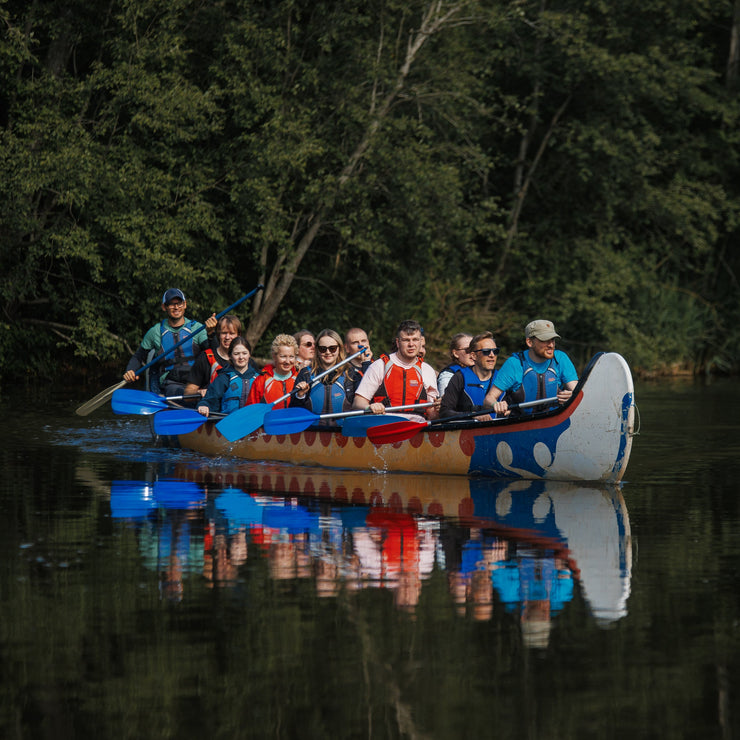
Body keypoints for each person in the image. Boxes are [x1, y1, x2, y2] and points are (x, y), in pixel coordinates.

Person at [123, 288, 215, 397]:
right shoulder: (155, 331)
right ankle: (194, 396)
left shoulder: (197, 328)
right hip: (171, 382)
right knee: (176, 391)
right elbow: (139, 356)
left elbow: (213, 351)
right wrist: (130, 370)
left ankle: (198, 395)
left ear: (184, 304)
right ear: (164, 307)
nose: (176, 307)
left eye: (179, 303)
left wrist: (211, 334)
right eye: (171, 304)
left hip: (195, 379)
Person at [483, 319, 578, 416]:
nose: (551, 345)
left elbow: (577, 391)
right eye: (544, 340)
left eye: (553, 340)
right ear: (529, 342)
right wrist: (496, 404)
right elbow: (488, 400)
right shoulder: (514, 364)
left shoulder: (560, 358)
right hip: (522, 424)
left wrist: (572, 396)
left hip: (555, 420)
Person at [352, 319, 440, 420]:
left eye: (415, 339)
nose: (411, 344)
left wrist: (438, 409)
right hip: (386, 421)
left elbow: (432, 414)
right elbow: (358, 402)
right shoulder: (379, 366)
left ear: (420, 342)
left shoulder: (427, 370)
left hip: (417, 426)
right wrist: (369, 407)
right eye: (406, 340)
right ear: (398, 342)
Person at [292, 329, 353, 419]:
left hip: (341, 430)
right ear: (317, 350)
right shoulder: (305, 373)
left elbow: (357, 405)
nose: (328, 352)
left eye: (332, 348)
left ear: (339, 348)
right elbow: (294, 410)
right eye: (323, 349)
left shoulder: (350, 373)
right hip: (313, 430)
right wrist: (300, 396)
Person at [440, 331, 500, 420]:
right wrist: (472, 416)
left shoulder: (504, 378)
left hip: (500, 429)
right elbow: (445, 412)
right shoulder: (459, 378)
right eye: (486, 351)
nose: (492, 355)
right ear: (474, 356)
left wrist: (509, 411)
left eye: (495, 351)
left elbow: (519, 410)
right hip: (470, 429)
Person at [184, 314, 242, 399]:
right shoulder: (205, 357)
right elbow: (187, 393)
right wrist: (199, 392)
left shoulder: (245, 360)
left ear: (238, 335)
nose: (227, 337)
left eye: (231, 333)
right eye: (224, 333)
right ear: (218, 334)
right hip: (210, 409)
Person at [197, 337, 258, 418]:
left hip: (254, 423)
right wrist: (204, 405)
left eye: (244, 353)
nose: (241, 357)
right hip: (229, 423)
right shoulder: (224, 378)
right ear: (230, 356)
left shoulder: (259, 378)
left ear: (249, 354)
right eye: (236, 354)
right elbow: (210, 400)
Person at [246, 333, 299, 409]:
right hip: (269, 420)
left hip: (294, 420)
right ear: (274, 356)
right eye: (283, 356)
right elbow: (251, 410)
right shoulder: (261, 380)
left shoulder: (299, 377)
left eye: (291, 357)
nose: (287, 361)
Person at [343, 327, 373, 396]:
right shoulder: (343, 371)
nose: (361, 345)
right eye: (355, 343)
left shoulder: (379, 365)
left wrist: (367, 363)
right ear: (347, 348)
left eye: (363, 341)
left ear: (368, 343)